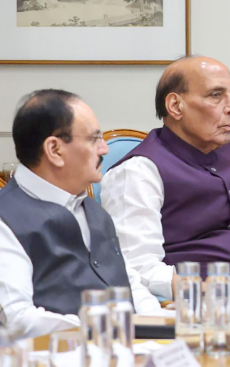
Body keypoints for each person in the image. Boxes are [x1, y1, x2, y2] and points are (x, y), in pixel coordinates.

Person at [100, 56, 230, 296]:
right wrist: (221, 292)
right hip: (200, 311)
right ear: (176, 106)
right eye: (216, 95)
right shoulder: (138, 172)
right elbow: (137, 269)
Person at [0, 90, 162, 338]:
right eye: (94, 139)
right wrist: (110, 328)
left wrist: (158, 326)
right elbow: (18, 320)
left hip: (129, 356)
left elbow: (132, 285)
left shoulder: (95, 211)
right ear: (55, 149)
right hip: (50, 365)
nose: (105, 149)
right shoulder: (6, 218)